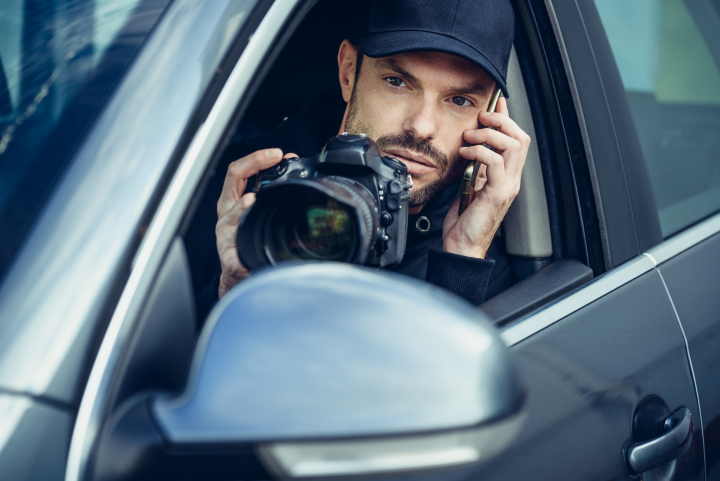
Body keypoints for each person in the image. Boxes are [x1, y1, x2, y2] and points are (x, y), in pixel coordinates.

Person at [186, 0, 531, 321]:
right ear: (349, 72)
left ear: (489, 117)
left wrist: (461, 258)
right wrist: (231, 290)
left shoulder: (477, 247)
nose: (421, 127)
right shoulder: (236, 192)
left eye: (459, 100)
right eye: (397, 82)